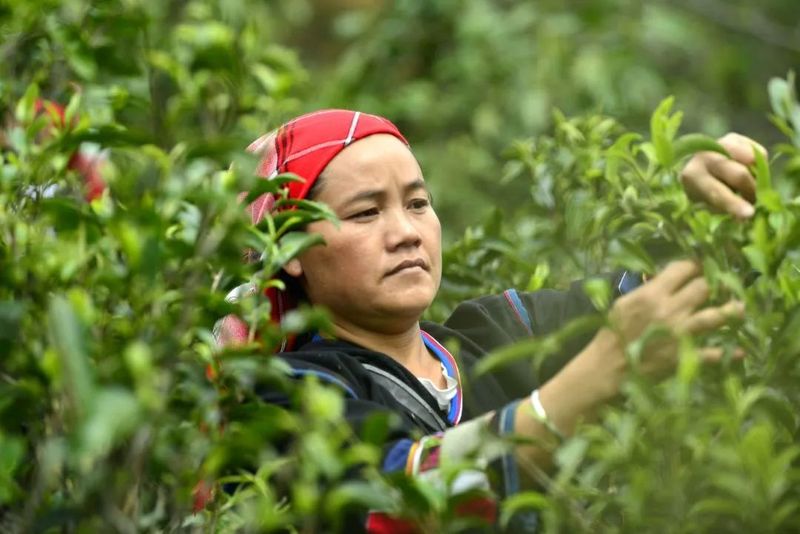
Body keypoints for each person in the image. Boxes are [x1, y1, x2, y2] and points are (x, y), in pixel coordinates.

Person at [215, 109, 764, 532]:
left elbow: (667, 298)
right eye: (366, 212)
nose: (406, 232)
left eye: (418, 203)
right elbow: (401, 501)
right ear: (292, 250)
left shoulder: (498, 333)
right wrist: (605, 367)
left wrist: (708, 213)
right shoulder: (284, 397)